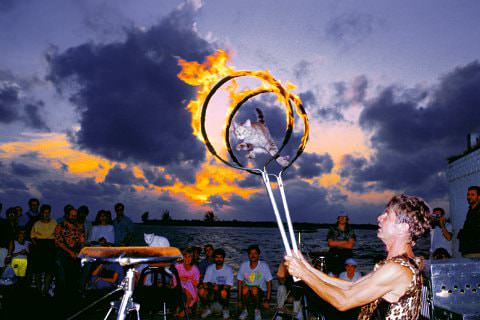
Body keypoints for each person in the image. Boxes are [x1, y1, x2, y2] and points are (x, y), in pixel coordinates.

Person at [285, 194, 432, 320]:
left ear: (403, 227)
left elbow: (344, 301)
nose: (379, 217)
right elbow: (351, 286)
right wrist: (306, 267)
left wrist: (303, 274)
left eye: (387, 214)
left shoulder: (397, 269)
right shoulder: (399, 264)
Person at [54, 206, 85, 296]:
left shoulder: (80, 226)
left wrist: (79, 252)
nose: (73, 217)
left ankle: (77, 291)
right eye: (71, 215)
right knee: (62, 275)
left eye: (75, 216)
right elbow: (58, 242)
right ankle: (61, 293)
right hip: (63, 251)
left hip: (76, 252)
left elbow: (82, 241)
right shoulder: (60, 226)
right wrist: (69, 252)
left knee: (76, 274)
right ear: (67, 215)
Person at [237, 244, 273, 320]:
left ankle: (257, 311)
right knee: (245, 288)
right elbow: (239, 282)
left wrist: (267, 300)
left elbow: (269, 283)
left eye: (255, 253)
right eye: (251, 253)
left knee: (254, 289)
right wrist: (239, 299)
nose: (253, 255)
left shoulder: (264, 266)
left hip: (260, 292)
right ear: (248, 255)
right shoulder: (244, 265)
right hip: (247, 293)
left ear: (259, 255)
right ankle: (244, 310)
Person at [30, 204, 57, 296]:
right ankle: (38, 290)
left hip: (50, 246)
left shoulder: (54, 222)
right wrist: (37, 246)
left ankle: (45, 290)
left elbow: (57, 236)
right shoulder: (37, 223)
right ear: (41, 213)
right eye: (44, 213)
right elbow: (32, 237)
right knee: (38, 270)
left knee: (49, 270)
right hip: (39, 246)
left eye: (48, 213)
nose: (46, 214)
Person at [199, 248, 234, 320]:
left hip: (222, 291)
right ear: (214, 258)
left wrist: (220, 287)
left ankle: (225, 310)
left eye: (221, 257)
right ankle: (207, 309)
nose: (219, 259)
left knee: (223, 291)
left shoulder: (228, 269)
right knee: (201, 290)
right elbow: (205, 283)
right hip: (212, 290)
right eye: (217, 257)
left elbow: (229, 285)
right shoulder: (210, 268)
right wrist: (212, 286)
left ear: (223, 258)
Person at [174, 247, 201, 316]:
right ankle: (182, 309)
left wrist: (190, 279)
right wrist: (181, 279)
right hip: (179, 286)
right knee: (182, 288)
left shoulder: (195, 269)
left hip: (191, 289)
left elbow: (196, 284)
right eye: (185, 256)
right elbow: (174, 279)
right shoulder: (178, 266)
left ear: (192, 258)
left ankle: (185, 309)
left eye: (189, 257)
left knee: (188, 286)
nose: (187, 259)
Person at [457, 186, 480, 257]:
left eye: (472, 195)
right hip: (469, 250)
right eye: (468, 194)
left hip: (476, 250)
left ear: (479, 197)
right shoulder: (471, 210)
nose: (469, 197)